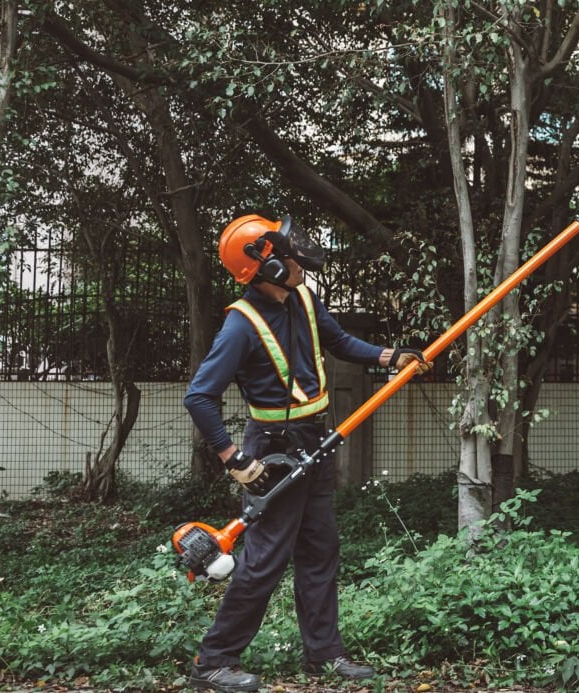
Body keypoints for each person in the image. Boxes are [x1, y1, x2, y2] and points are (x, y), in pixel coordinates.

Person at [184, 213, 429, 692]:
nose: (299, 256)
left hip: (316, 442)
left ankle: (324, 654)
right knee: (264, 559)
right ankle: (212, 662)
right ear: (266, 266)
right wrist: (236, 461)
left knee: (320, 550)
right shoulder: (241, 324)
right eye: (286, 251)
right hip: (271, 456)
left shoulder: (302, 298)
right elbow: (199, 397)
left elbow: (337, 341)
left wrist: (389, 357)